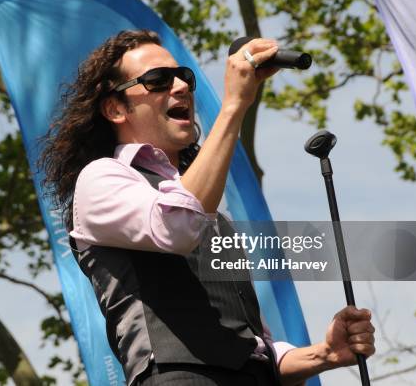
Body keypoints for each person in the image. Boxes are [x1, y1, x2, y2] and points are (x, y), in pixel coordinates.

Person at [41, 30, 375, 386]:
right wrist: (234, 106)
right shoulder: (102, 178)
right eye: (157, 80)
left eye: (183, 77)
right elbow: (177, 226)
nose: (181, 87)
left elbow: (250, 344)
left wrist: (323, 353)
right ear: (115, 108)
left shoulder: (214, 217)